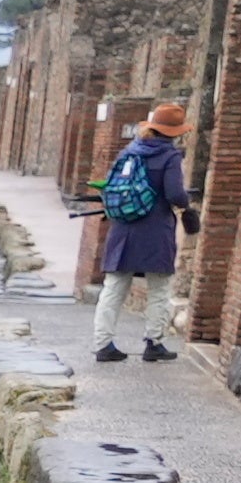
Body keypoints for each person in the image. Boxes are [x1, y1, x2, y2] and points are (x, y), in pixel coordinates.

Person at [89, 102, 196, 362]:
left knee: (113, 287)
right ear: (174, 132)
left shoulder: (129, 151)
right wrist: (186, 204)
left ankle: (103, 344)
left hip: (123, 228)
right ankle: (154, 342)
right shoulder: (170, 156)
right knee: (159, 288)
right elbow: (174, 193)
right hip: (155, 229)